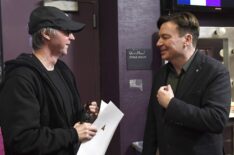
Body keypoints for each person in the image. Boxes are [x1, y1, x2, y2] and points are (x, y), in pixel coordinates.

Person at [0, 6, 99, 155]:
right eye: (66, 31)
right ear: (46, 33)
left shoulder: (63, 70)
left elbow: (65, 120)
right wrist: (73, 134)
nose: (72, 37)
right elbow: (22, 140)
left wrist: (85, 114)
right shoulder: (20, 78)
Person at [142, 12, 231, 155]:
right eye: (159, 38)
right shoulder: (161, 74)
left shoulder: (216, 71)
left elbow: (216, 120)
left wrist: (171, 104)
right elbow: (152, 125)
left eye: (165, 37)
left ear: (187, 39)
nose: (158, 43)